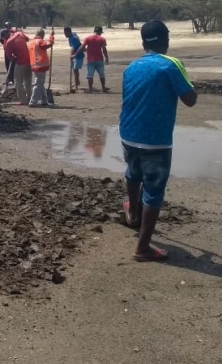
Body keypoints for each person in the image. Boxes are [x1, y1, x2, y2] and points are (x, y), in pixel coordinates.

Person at [119, 20, 197, 262]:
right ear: (166, 40)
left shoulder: (131, 66)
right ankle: (143, 248)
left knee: (133, 173)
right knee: (153, 191)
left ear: (143, 43)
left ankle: (133, 214)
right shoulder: (171, 65)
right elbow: (190, 99)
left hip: (128, 134)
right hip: (156, 141)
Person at [75, 26, 110, 93]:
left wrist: (75, 54)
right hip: (99, 59)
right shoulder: (102, 39)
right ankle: (103, 88)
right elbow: (104, 49)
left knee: (90, 75)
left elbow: (82, 47)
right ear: (100, 32)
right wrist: (106, 58)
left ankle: (90, 89)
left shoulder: (88, 38)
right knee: (101, 75)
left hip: (90, 59)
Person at [28, 29, 55, 107]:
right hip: (41, 65)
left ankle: (44, 100)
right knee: (38, 83)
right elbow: (48, 45)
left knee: (40, 83)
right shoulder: (40, 41)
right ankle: (33, 101)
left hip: (34, 65)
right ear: (42, 35)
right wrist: (51, 37)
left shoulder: (32, 42)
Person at [4, 28, 31, 105]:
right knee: (28, 81)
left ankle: (23, 100)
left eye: (4, 37)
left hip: (21, 62)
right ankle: (29, 99)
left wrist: (14, 58)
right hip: (29, 60)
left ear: (6, 35)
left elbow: (9, 56)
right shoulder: (19, 34)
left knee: (18, 81)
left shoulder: (8, 42)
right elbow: (27, 39)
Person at [64, 27, 84, 91]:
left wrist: (71, 56)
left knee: (75, 70)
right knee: (74, 69)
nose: (65, 35)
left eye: (66, 33)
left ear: (69, 32)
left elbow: (73, 48)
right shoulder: (72, 35)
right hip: (75, 55)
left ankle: (76, 85)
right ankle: (77, 82)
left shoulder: (73, 38)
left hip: (78, 55)